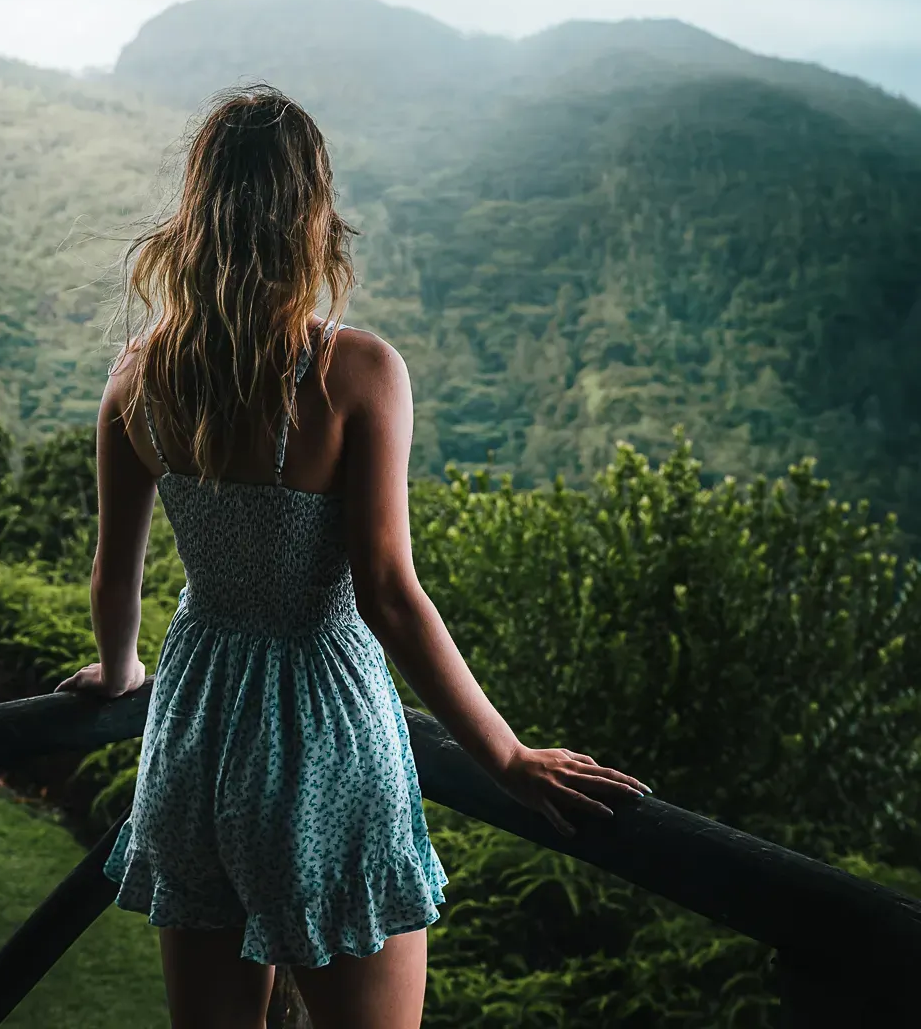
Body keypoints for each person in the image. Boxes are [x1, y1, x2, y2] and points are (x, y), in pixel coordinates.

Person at [57, 87, 650, 1029]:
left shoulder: (138, 377)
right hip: (323, 733)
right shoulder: (356, 373)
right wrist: (505, 756)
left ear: (196, 213)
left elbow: (112, 572)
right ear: (312, 217)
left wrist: (125, 671)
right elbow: (386, 592)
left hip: (195, 726)